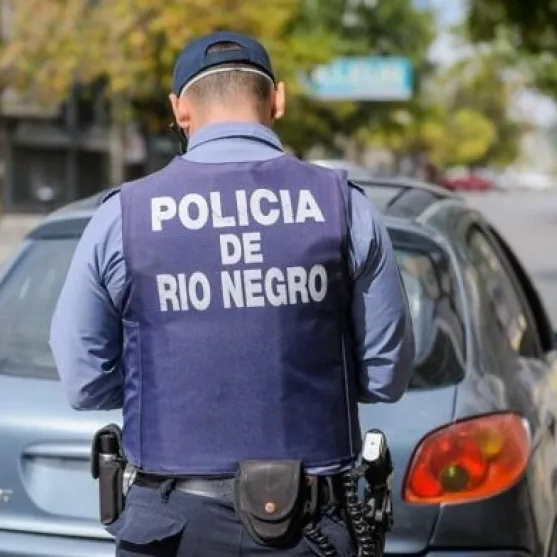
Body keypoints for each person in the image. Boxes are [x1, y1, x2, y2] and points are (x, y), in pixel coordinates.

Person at [50, 31, 415, 557]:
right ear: (278, 100)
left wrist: (167, 386)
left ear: (179, 110)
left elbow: (83, 381)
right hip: (310, 527)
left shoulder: (121, 217)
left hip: (173, 528)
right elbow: (385, 376)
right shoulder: (345, 207)